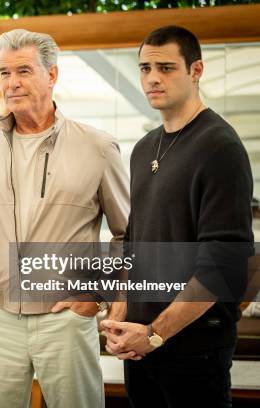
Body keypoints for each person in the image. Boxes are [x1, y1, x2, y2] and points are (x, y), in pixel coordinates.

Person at [0, 29, 130, 407]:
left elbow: (128, 233)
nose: (12, 83)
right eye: (4, 73)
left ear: (52, 75)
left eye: (24, 71)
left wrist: (99, 293)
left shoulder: (97, 147)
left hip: (65, 318)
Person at [101, 25, 253, 408]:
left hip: (194, 349)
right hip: (141, 345)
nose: (152, 78)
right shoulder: (144, 148)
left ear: (196, 70)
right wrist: (120, 310)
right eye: (144, 68)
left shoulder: (220, 147)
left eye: (166, 67)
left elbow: (222, 264)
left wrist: (155, 333)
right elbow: (135, 243)